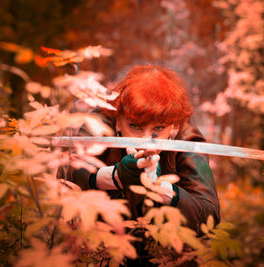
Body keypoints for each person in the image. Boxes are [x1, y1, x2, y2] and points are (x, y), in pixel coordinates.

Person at [57, 65, 220, 234]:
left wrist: (164, 189)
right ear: (118, 120)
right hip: (102, 246)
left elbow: (209, 217)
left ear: (174, 127)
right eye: (135, 126)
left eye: (158, 129)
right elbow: (66, 178)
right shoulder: (98, 125)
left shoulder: (188, 139)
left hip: (168, 250)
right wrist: (114, 176)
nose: (145, 142)